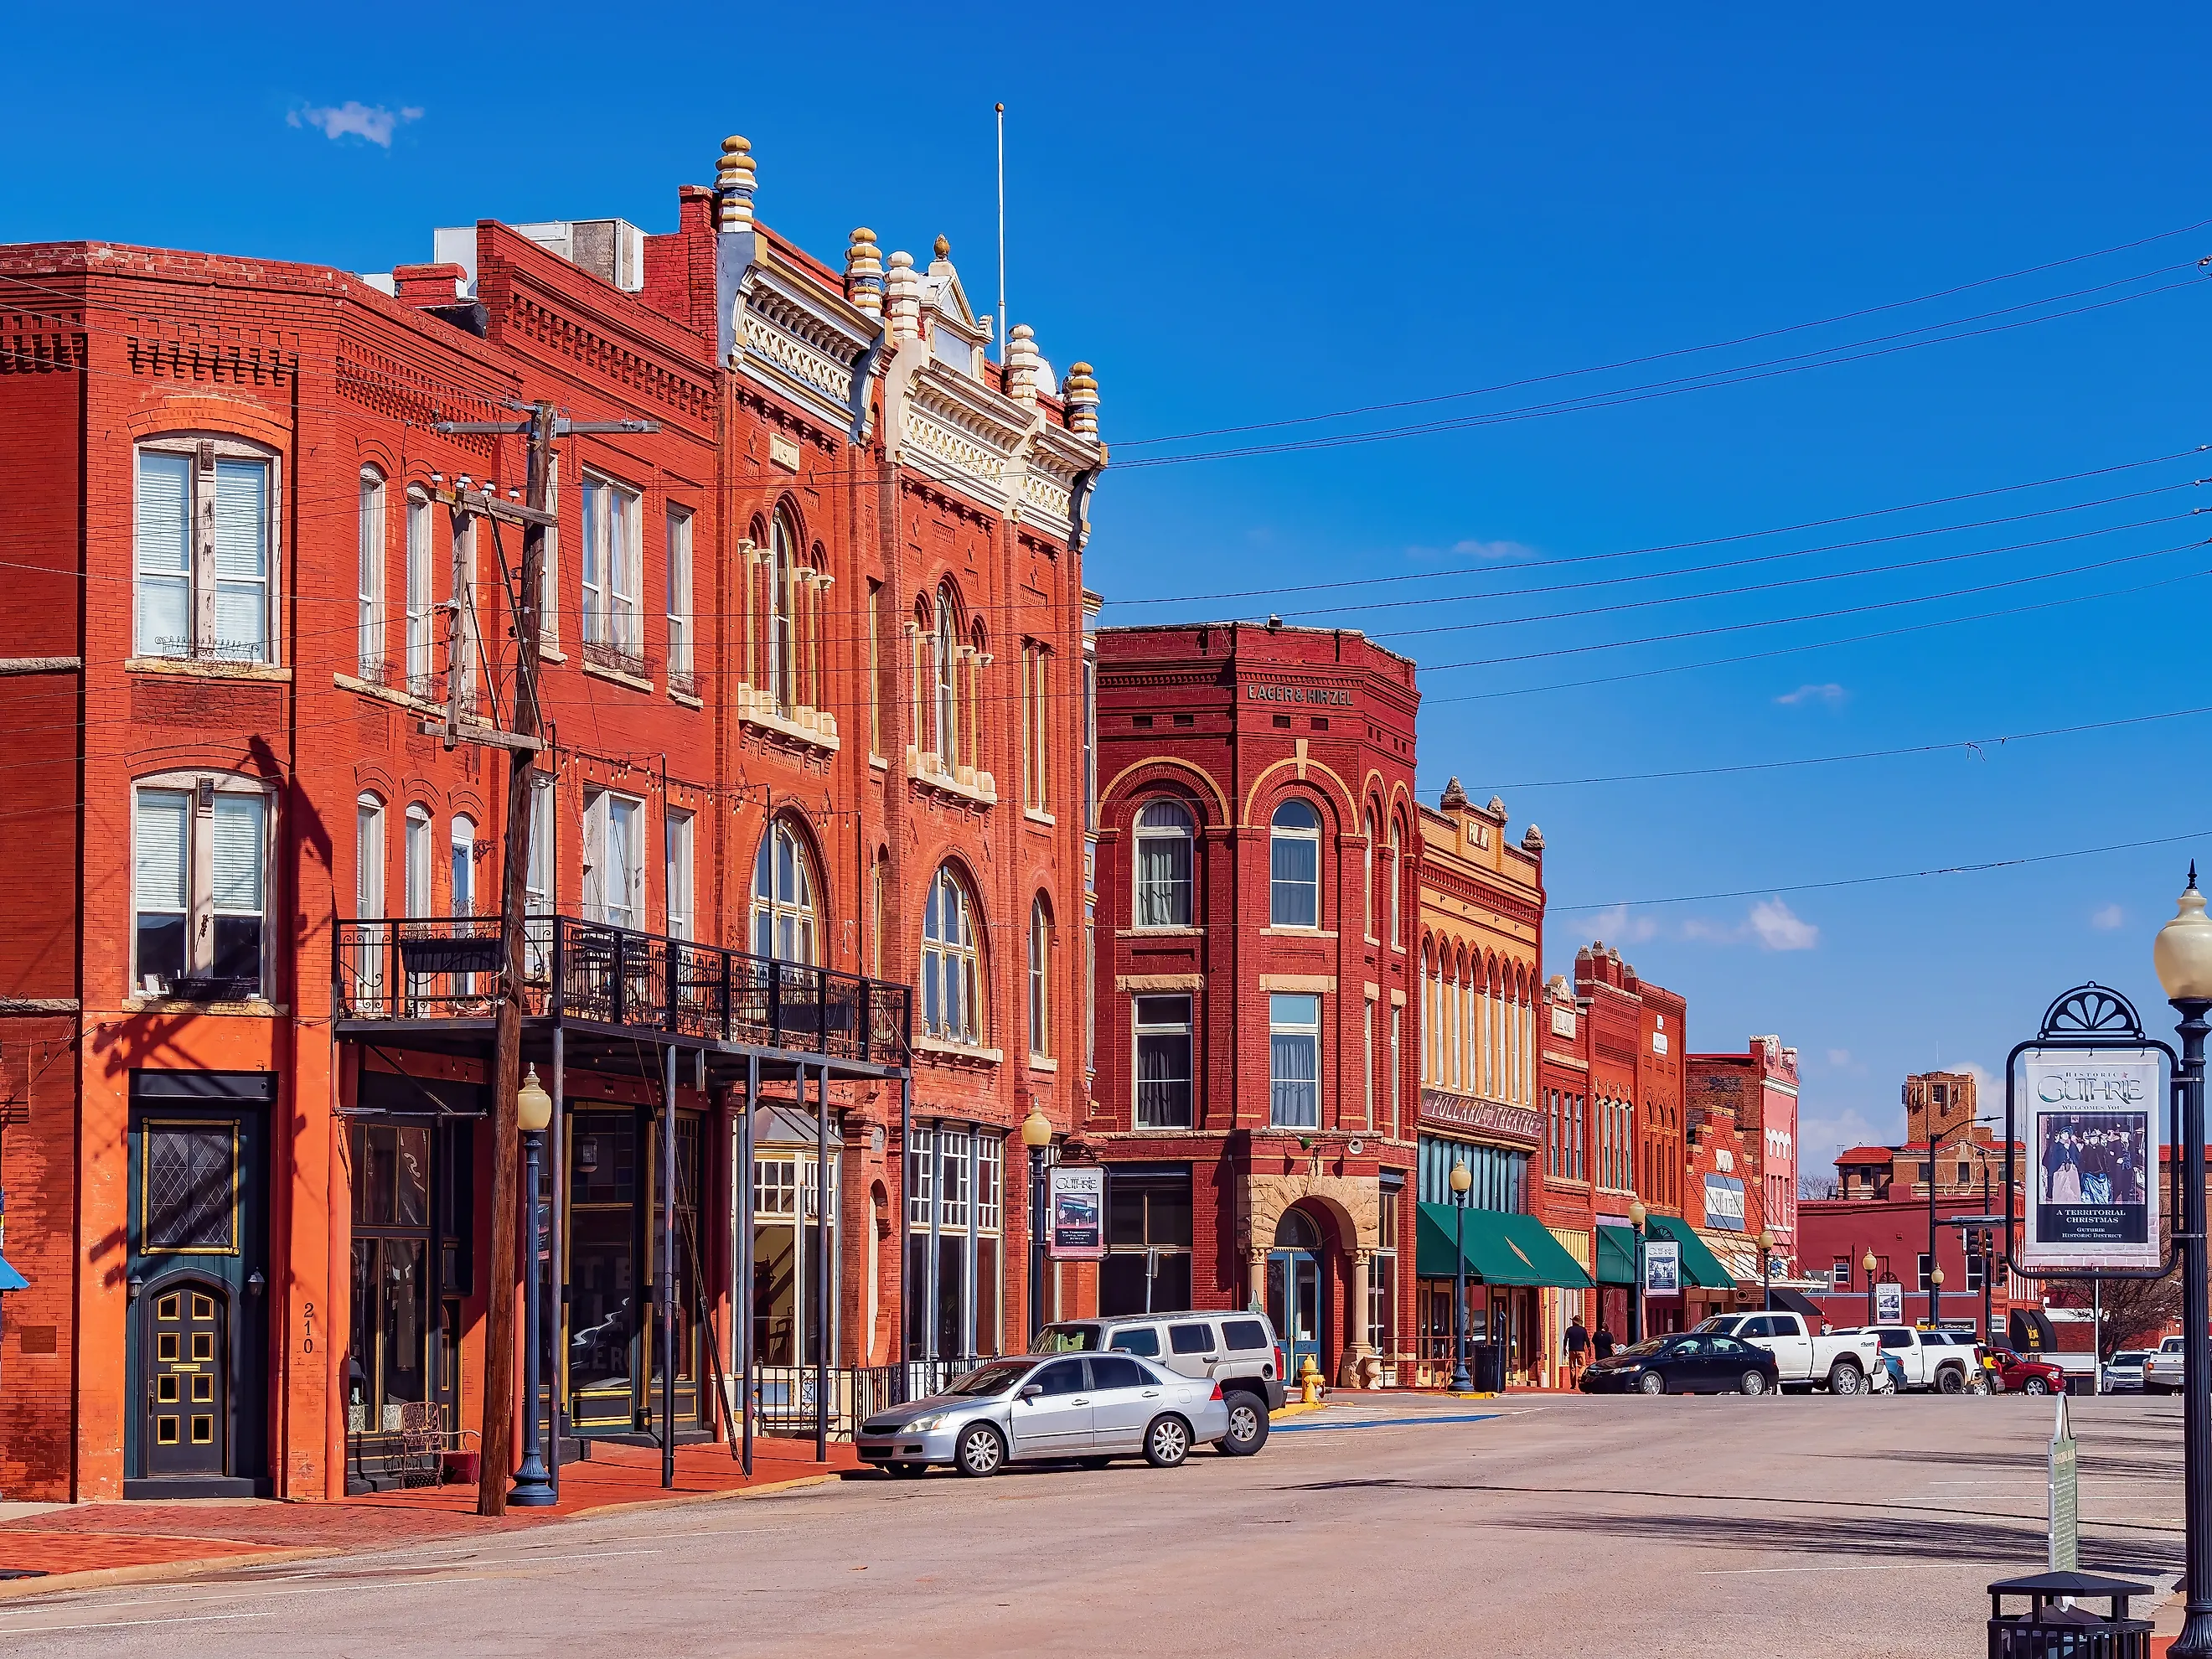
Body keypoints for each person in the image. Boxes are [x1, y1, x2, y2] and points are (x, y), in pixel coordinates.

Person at [1564, 1316, 1590, 1383]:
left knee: (1572, 1367)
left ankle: (1573, 1384)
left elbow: (1565, 1340)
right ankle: (1580, 1375)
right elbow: (1587, 1340)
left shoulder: (1569, 1329)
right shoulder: (1583, 1330)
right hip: (1581, 1350)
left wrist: (1564, 1348)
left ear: (1573, 1322)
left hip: (1572, 1350)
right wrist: (1589, 1349)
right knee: (1583, 1365)